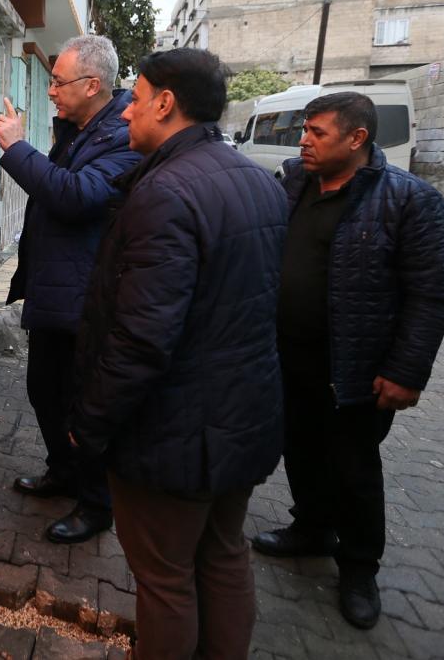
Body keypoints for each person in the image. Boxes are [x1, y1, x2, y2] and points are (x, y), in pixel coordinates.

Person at [70, 48, 290, 658]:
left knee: (165, 578)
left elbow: (141, 338)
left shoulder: (165, 191)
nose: (125, 116)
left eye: (135, 101)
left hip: (178, 434)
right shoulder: (255, 179)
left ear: (166, 103)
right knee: (223, 554)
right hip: (241, 420)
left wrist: (89, 422)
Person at [251, 91, 444, 630]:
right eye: (305, 130)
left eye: (316, 133)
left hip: (356, 370)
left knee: (353, 467)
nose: (303, 141)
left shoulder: (411, 201)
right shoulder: (294, 184)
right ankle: (312, 529)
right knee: (299, 448)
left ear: (357, 138)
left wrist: (407, 370)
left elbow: (431, 296)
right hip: (287, 357)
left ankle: (359, 567)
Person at [0, 34, 142, 544]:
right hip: (56, 288)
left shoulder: (121, 134)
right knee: (44, 391)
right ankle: (64, 472)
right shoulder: (79, 129)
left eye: (58, 81)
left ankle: (96, 503)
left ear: (92, 84)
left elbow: (76, 196)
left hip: (88, 296)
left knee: (83, 406)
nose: (50, 91)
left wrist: (16, 146)